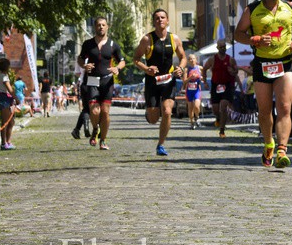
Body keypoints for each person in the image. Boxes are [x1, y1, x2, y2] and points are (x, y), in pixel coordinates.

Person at [235, 0, 292, 168]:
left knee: (284, 107)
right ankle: (269, 143)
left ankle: (282, 151)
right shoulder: (253, 9)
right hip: (262, 63)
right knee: (265, 110)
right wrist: (254, 39)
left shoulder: (291, 8)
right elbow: (238, 33)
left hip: (285, 62)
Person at [133, 8, 186, 156]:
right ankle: (150, 113)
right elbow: (136, 59)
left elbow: (183, 57)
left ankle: (161, 144)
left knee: (168, 111)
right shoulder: (147, 39)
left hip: (168, 80)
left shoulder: (174, 39)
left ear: (167, 20)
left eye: (163, 17)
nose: (160, 20)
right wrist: (146, 68)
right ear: (154, 22)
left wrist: (180, 68)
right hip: (152, 81)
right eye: (157, 18)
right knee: (153, 119)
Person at [78, 17, 125, 150]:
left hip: (107, 80)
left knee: (105, 112)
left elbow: (122, 61)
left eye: (103, 25)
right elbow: (80, 58)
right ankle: (95, 129)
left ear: (107, 27)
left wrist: (117, 68)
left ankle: (103, 140)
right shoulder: (88, 44)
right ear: (95, 27)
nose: (101, 27)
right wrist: (84, 65)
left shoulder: (113, 45)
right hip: (92, 80)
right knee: (94, 110)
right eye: (98, 25)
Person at [202, 41, 239, 137]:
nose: (223, 48)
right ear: (217, 48)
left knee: (223, 106)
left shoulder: (230, 59)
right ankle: (218, 118)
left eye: (224, 47)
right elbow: (204, 69)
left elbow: (236, 71)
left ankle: (222, 130)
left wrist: (233, 71)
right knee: (215, 109)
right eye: (221, 47)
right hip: (216, 85)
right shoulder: (212, 59)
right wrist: (205, 82)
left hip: (227, 85)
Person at [0, 58, 16, 149]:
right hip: (4, 98)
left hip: (5, 98)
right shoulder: (3, 76)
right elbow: (10, 89)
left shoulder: (2, 75)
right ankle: (4, 143)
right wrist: (16, 98)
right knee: (5, 122)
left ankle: (8, 141)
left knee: (10, 122)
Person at [183, 54, 203, 130]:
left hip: (197, 90)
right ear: (188, 61)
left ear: (196, 59)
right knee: (190, 108)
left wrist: (202, 78)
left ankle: (197, 117)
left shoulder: (200, 68)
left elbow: (203, 77)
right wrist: (190, 77)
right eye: (190, 59)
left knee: (197, 106)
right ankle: (192, 122)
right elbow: (184, 81)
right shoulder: (186, 70)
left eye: (193, 58)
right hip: (189, 91)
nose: (192, 60)